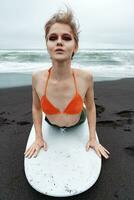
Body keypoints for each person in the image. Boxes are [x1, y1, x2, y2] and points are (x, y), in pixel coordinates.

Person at [24, 7, 110, 159]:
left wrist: (92, 138)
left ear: (75, 46)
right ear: (47, 45)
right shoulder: (37, 78)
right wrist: (38, 137)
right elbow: (36, 108)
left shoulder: (85, 77)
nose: (59, 42)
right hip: (51, 125)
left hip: (78, 122)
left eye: (66, 38)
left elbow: (90, 107)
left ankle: (78, 106)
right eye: (52, 38)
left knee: (82, 106)